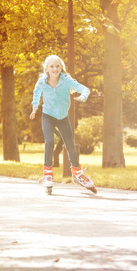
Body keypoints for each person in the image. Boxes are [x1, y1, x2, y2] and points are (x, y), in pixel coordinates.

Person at [29, 54, 93, 189]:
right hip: (48, 116)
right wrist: (35, 107)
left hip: (63, 117)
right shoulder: (42, 81)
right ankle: (47, 174)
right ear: (46, 68)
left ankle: (77, 173)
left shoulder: (66, 80)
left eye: (57, 66)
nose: (54, 69)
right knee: (49, 142)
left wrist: (83, 96)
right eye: (51, 66)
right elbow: (36, 92)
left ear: (61, 68)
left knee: (70, 145)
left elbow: (84, 89)